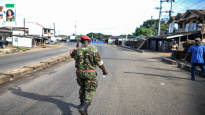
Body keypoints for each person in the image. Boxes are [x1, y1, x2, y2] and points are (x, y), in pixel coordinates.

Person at [70, 35, 108, 115]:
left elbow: (72, 56)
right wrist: (104, 71)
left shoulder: (77, 50)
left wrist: (77, 47)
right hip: (89, 73)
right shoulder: (93, 50)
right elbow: (99, 62)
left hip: (79, 73)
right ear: (88, 41)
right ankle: (84, 108)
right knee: (90, 90)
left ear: (81, 41)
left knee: (83, 87)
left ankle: (82, 105)